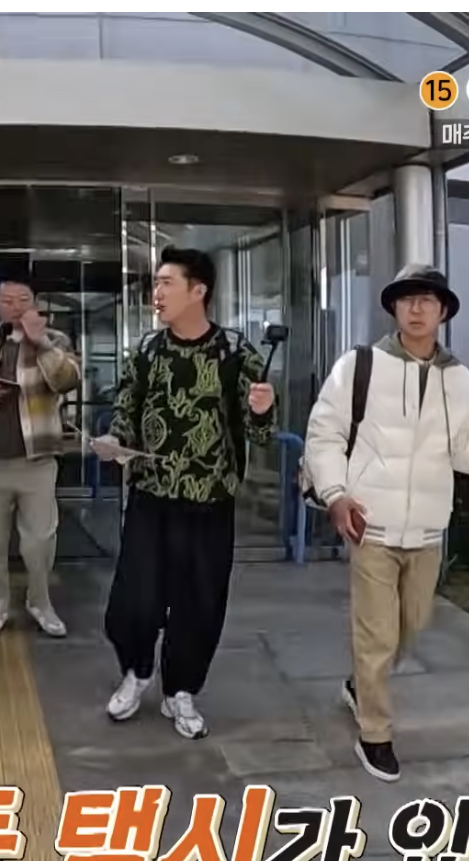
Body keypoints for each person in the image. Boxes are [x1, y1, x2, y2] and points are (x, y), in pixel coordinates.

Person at [304, 263, 469, 782]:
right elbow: (324, 435)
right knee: (377, 634)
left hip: (428, 531)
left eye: (428, 300)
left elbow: (468, 455)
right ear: (393, 307)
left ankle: (359, 685)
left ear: (443, 311)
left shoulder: (460, 380)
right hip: (370, 525)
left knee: (408, 631)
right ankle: (375, 732)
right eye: (407, 298)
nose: (416, 308)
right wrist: (336, 494)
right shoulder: (358, 365)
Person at [93, 246, 275, 740]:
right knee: (134, 601)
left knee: (200, 602)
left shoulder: (235, 352)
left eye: (166, 283)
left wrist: (263, 410)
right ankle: (137, 671)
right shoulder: (147, 351)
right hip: (151, 498)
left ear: (199, 291)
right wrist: (115, 441)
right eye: (155, 283)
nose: (156, 293)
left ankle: (181, 689)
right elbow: (126, 411)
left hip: (211, 501)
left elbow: (258, 434)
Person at [0, 276, 82, 639]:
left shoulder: (55, 340)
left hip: (38, 459)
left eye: (23, 300)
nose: (16, 308)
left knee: (40, 541)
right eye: (8, 301)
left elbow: (68, 381)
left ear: (36, 303)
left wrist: (39, 341)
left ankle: (40, 602)